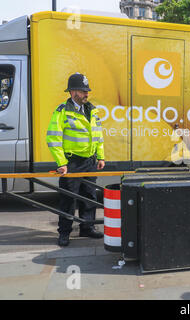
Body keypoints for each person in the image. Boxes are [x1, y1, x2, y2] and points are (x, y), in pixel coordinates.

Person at [46, 73, 106, 247]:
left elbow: (98, 136)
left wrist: (100, 156)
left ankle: (87, 228)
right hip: (72, 163)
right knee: (68, 199)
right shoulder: (62, 111)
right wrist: (61, 163)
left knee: (89, 195)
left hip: (90, 161)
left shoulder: (92, 110)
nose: (87, 94)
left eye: (87, 90)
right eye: (83, 91)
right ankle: (64, 232)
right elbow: (53, 138)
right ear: (73, 92)